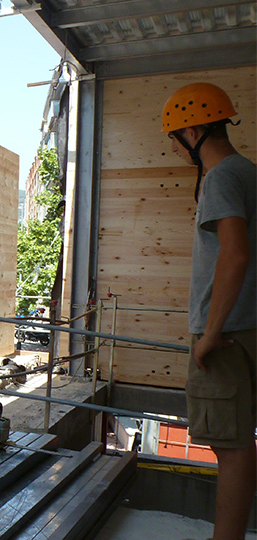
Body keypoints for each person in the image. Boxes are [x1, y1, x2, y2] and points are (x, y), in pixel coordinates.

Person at [162, 82, 256, 540]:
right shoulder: (249, 173)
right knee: (240, 444)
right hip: (247, 332)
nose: (176, 151)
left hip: (228, 336)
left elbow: (235, 255)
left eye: (175, 139)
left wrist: (211, 334)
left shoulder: (220, 177)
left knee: (232, 448)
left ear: (193, 131)